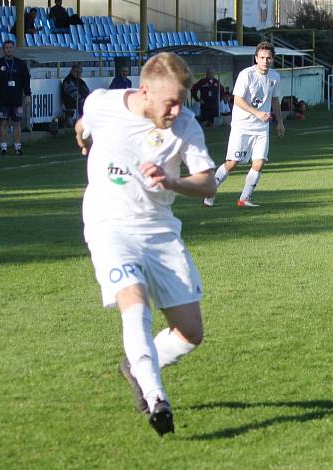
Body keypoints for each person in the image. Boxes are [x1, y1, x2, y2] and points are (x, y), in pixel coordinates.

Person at [74, 52, 216, 436]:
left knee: (190, 333)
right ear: (144, 91)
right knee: (134, 301)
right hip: (110, 225)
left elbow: (209, 182)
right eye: (170, 102)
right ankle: (156, 399)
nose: (176, 110)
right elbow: (88, 118)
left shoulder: (185, 126)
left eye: (181, 101)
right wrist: (82, 129)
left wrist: (172, 182)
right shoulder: (105, 103)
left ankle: (135, 363)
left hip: (160, 231)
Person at [203, 41, 284, 208]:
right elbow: (237, 100)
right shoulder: (246, 75)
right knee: (233, 163)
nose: (265, 61)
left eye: (268, 58)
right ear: (256, 58)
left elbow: (275, 100)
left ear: (273, 59)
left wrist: (280, 122)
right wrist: (257, 113)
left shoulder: (275, 77)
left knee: (259, 162)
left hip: (261, 128)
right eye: (261, 57)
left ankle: (244, 199)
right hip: (242, 126)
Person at [0, 39, 32, 155]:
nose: (9, 49)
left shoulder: (20, 64)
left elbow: (26, 80)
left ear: (14, 49)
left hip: (17, 100)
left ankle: (18, 147)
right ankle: (4, 147)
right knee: (3, 123)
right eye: (6, 48)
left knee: (17, 123)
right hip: (2, 100)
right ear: (3, 50)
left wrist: (28, 94)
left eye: (10, 47)